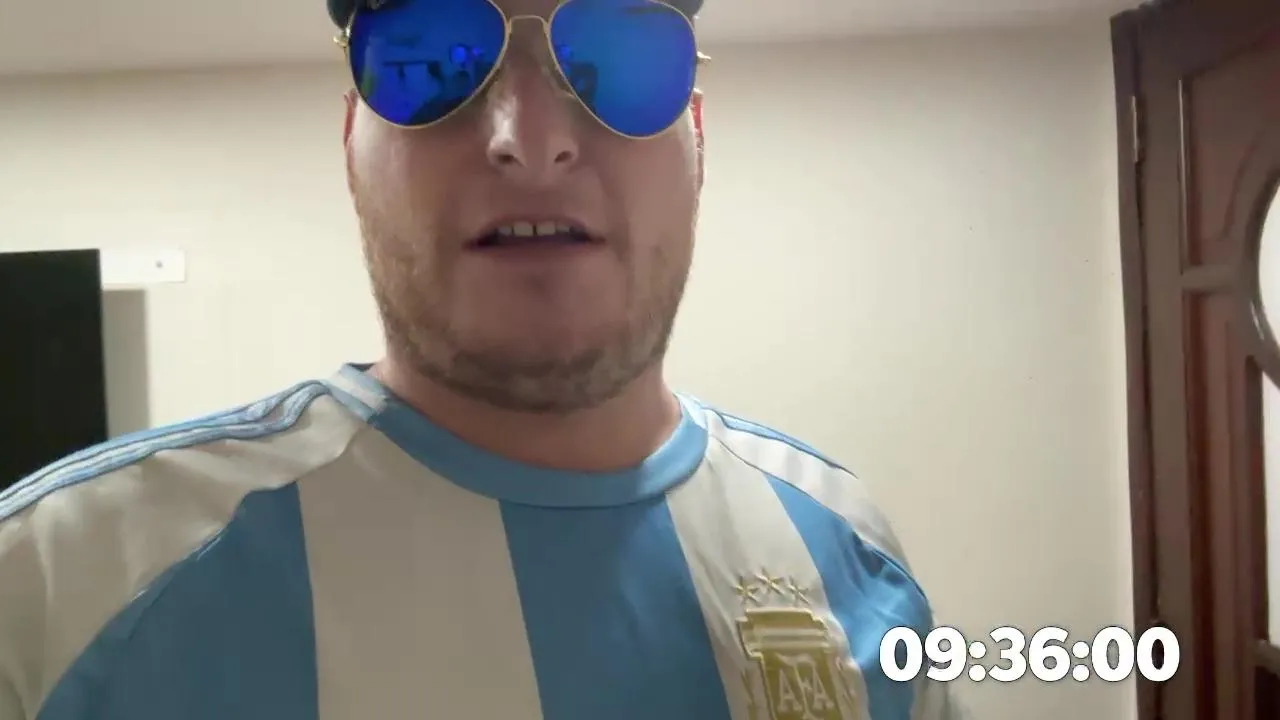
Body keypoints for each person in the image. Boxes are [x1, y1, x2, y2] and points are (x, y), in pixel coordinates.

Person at [0, 0, 969, 718]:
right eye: (429, 62)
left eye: (618, 57)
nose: (528, 140)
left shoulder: (847, 549)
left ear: (697, 143)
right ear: (353, 147)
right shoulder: (55, 587)